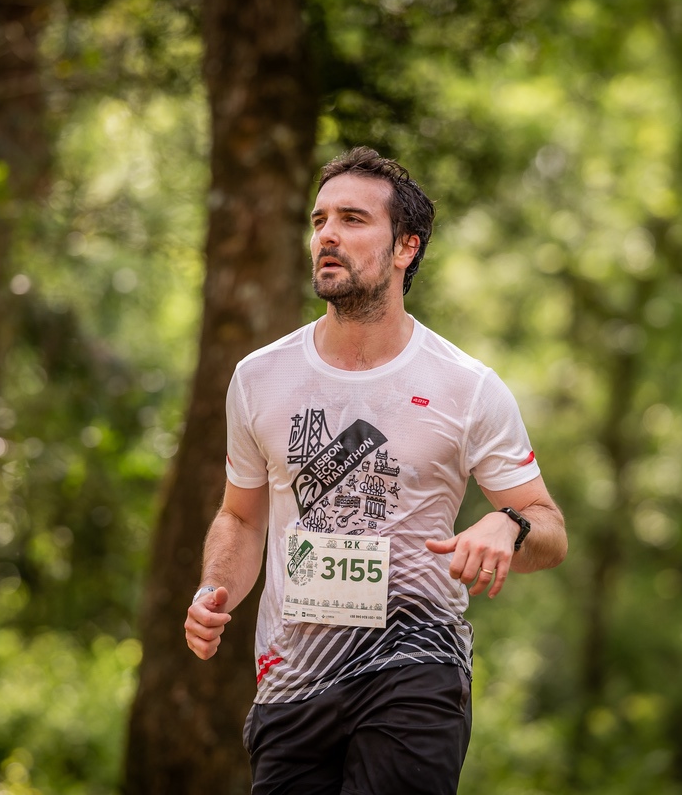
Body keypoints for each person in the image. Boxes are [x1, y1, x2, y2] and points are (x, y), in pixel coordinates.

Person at [184, 146, 568, 795]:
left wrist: (508, 525)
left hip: (417, 662)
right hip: (293, 678)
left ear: (405, 248)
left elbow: (549, 528)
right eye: (319, 220)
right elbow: (241, 517)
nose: (327, 235)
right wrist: (212, 589)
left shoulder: (465, 386)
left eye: (353, 219)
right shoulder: (259, 377)